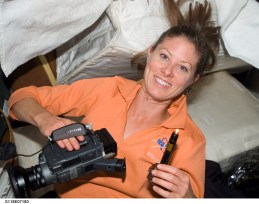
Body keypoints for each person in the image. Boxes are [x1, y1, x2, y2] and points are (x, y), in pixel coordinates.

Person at [8, 0, 220, 198]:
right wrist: (46, 120)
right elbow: (20, 99)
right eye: (164, 56)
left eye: (183, 68)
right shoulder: (109, 88)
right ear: (150, 53)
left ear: (194, 79)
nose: (167, 71)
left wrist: (188, 197)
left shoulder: (190, 140)